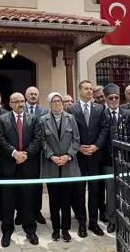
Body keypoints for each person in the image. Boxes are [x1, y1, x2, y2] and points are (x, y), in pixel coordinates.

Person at [0, 92, 43, 246]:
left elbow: (38, 138)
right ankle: (7, 231)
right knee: (7, 201)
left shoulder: (34, 119)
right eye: (17, 101)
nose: (21, 104)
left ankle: (30, 230)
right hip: (8, 166)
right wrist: (14, 153)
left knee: (28, 200)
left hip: (28, 166)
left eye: (22, 101)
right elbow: (0, 139)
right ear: (10, 104)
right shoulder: (2, 119)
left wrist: (25, 155)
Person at [69, 80, 109, 237]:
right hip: (79, 156)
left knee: (94, 191)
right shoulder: (72, 109)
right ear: (79, 91)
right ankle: (81, 223)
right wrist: (78, 147)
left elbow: (104, 129)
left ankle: (93, 222)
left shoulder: (99, 108)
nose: (89, 91)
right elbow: (69, 130)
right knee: (79, 192)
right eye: (86, 88)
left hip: (95, 156)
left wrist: (96, 146)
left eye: (91, 89)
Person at [39, 93, 80, 242]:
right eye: (54, 101)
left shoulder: (70, 118)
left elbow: (76, 139)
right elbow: (42, 141)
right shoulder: (43, 120)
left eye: (59, 101)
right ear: (50, 103)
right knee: (54, 200)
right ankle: (56, 229)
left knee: (66, 200)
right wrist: (52, 156)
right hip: (52, 165)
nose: (57, 103)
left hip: (68, 164)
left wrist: (68, 155)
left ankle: (65, 229)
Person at [23, 86, 48, 225]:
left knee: (37, 185)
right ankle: (21, 212)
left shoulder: (43, 111)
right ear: (25, 96)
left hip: (38, 153)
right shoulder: (20, 108)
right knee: (22, 184)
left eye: (35, 94)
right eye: (31, 94)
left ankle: (37, 211)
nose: (33, 96)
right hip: (22, 153)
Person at [100, 84, 123, 234]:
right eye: (111, 98)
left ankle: (125, 218)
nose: (114, 100)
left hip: (125, 159)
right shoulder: (101, 114)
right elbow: (101, 136)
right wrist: (113, 152)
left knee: (125, 190)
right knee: (110, 191)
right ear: (106, 99)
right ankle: (112, 220)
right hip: (108, 159)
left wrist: (122, 151)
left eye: (116, 97)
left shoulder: (126, 113)